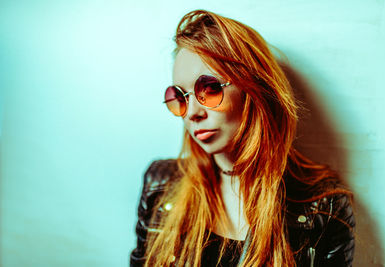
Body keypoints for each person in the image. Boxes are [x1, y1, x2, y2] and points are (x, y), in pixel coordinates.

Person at [130, 9, 355, 267]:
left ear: (255, 89)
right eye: (180, 96)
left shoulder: (323, 206)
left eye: (210, 88)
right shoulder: (159, 186)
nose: (192, 113)